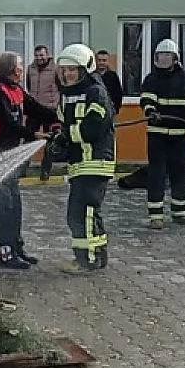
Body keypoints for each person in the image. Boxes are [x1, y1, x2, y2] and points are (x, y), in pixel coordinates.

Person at [0, 52, 57, 269]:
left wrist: (58, 119)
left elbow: (34, 107)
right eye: (20, 64)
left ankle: (17, 248)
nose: (23, 68)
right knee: (3, 208)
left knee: (15, 206)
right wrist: (35, 135)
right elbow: (8, 125)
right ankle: (5, 254)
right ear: (13, 69)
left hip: (9, 158)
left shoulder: (15, 88)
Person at [51, 44, 116, 275]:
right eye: (64, 70)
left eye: (72, 69)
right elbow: (62, 123)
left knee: (83, 213)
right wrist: (59, 139)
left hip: (95, 162)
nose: (67, 74)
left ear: (85, 68)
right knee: (84, 213)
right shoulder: (67, 95)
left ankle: (86, 261)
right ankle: (98, 256)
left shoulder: (95, 92)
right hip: (80, 163)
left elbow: (93, 130)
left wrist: (67, 136)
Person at [139, 39, 185, 229]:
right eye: (160, 55)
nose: (163, 59)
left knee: (180, 172)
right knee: (157, 175)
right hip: (157, 135)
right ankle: (156, 215)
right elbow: (146, 99)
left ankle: (180, 212)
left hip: (179, 135)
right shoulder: (151, 79)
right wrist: (151, 112)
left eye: (167, 55)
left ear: (175, 58)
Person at [25, 45, 60, 181]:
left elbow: (61, 88)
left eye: (42, 55)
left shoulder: (56, 69)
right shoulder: (30, 69)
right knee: (28, 138)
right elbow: (29, 87)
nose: (40, 58)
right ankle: (23, 168)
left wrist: (56, 105)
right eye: (37, 56)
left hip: (49, 109)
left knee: (49, 140)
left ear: (47, 55)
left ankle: (45, 170)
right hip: (34, 110)